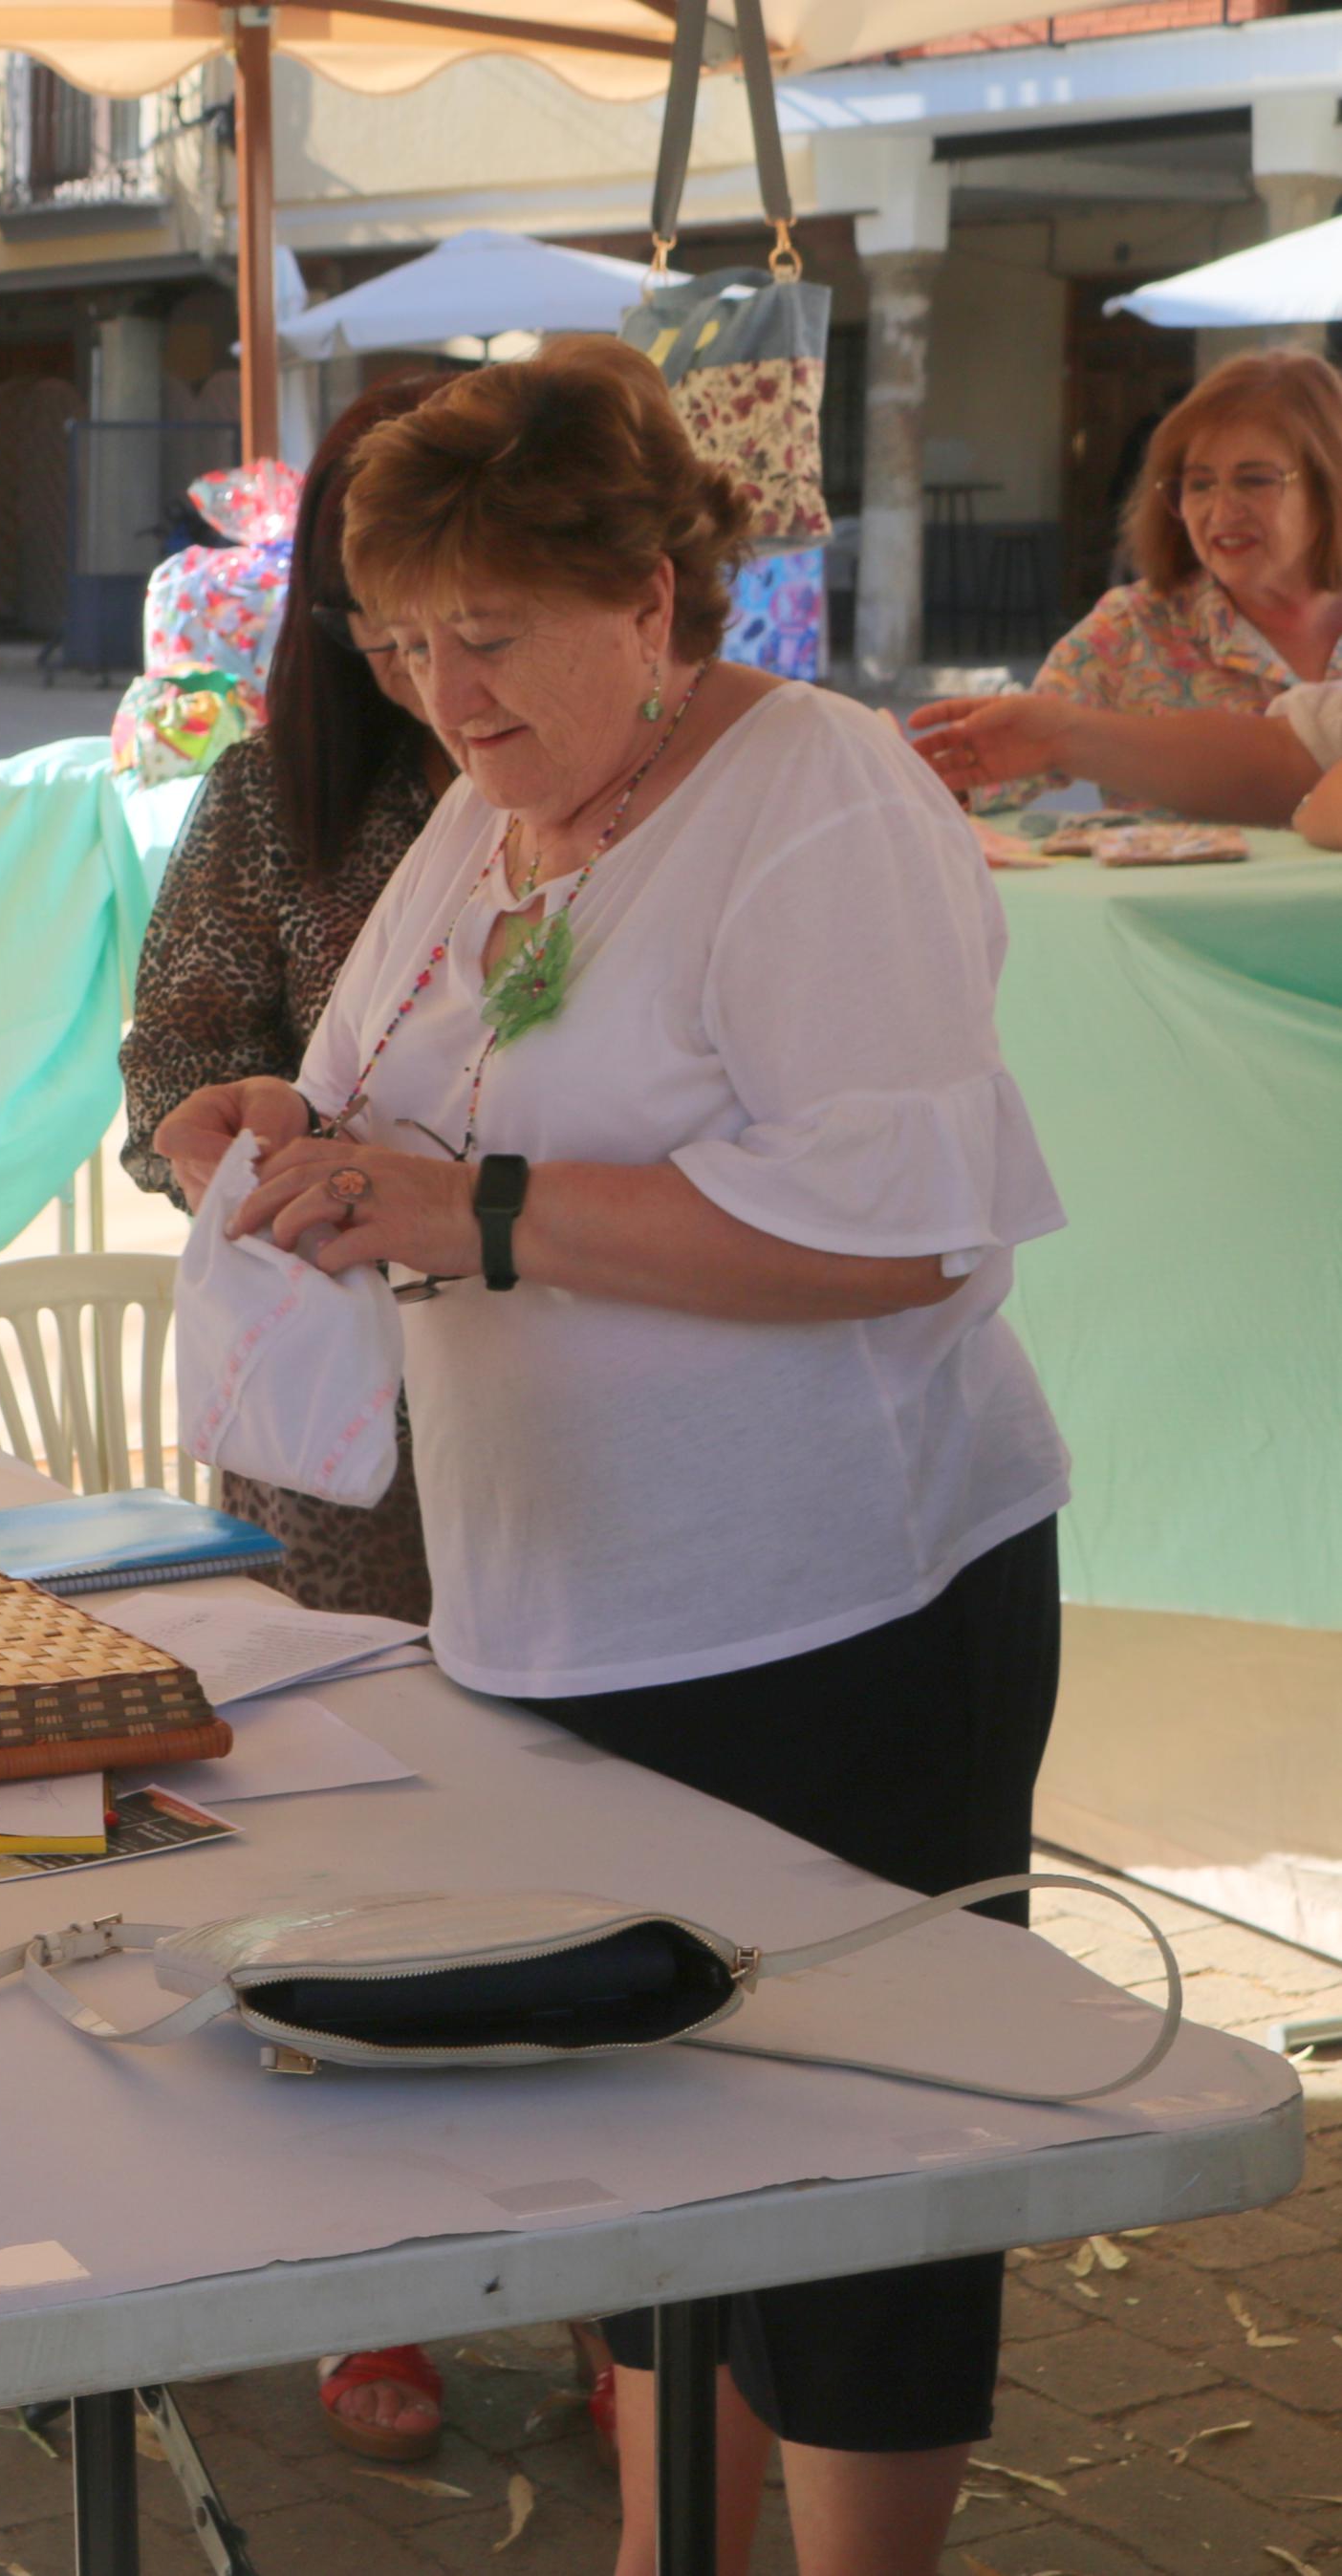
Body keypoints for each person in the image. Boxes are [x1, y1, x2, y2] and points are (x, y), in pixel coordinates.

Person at [155, 336, 1070, 2576]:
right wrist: (272, 1128)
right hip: (561, 1604)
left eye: (487, 638)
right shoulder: (492, 809)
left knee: (857, 2162)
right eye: (394, 641)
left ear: (651, 598)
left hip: (831, 1610)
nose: (439, 695)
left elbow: (892, 1227)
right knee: (649, 2152)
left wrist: (474, 1214)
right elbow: (403, 1095)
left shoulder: (818, 798)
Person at [119, 375, 462, 2470]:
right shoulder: (268, 798)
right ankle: (378, 2261)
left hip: (576, 1384)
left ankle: (611, 2257)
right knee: (362, 1822)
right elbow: (171, 1042)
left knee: (565, 1798)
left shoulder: (630, 792)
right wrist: (216, 1132)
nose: (431, 647)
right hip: (336, 1413)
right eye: (385, 590)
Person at [906, 347, 1342, 815]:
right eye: (1198, 484)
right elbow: (1006, 762)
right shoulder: (1131, 631)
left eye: (1254, 480)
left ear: (1328, 483)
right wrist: (920, 776)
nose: (1220, 512)